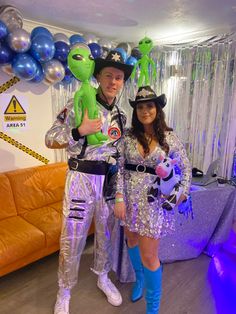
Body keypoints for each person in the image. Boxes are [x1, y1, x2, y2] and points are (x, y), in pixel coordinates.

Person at [45, 48, 133, 314]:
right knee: (72, 238)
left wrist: (119, 194)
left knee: (106, 235)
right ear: (98, 76)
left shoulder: (121, 115)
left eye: (118, 77)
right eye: (108, 75)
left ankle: (103, 277)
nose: (113, 82)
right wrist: (79, 130)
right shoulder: (78, 103)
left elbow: (119, 156)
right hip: (80, 179)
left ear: (122, 82)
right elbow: (50, 138)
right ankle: (64, 290)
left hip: (106, 182)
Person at [114, 85, 192, 314]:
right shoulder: (127, 138)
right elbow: (118, 169)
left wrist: (181, 194)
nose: (145, 110)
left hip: (154, 204)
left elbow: (186, 170)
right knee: (131, 240)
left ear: (157, 108)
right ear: (135, 110)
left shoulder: (170, 137)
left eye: (150, 105)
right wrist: (119, 197)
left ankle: (153, 309)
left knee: (150, 256)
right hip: (129, 200)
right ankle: (138, 280)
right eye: (140, 106)